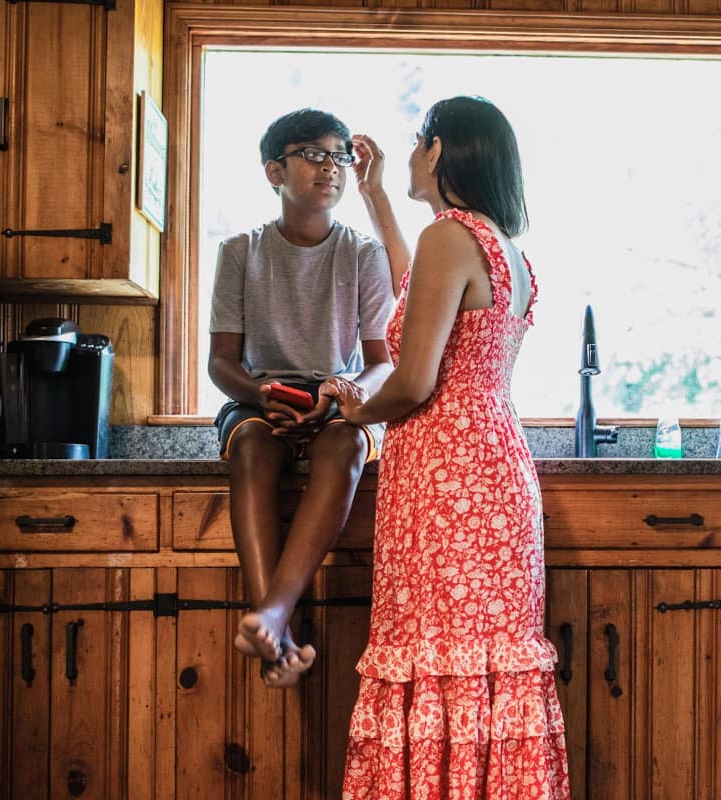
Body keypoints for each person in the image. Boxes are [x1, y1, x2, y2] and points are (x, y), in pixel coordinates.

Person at [331, 97, 570, 798]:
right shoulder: (498, 246)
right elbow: (418, 291)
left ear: (438, 151)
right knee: (478, 665)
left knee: (436, 658)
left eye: (415, 144)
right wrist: (375, 197)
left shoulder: (449, 237)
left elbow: (411, 381)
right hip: (493, 468)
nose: (408, 156)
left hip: (447, 477)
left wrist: (357, 413)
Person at [208, 108, 394, 688]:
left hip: (339, 398)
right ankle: (275, 631)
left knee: (344, 448)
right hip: (259, 394)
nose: (331, 167)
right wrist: (262, 397)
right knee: (253, 449)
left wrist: (339, 395)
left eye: (341, 156)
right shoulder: (241, 250)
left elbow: (383, 363)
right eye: (314, 154)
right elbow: (221, 363)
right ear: (274, 170)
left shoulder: (364, 253)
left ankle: (270, 621)